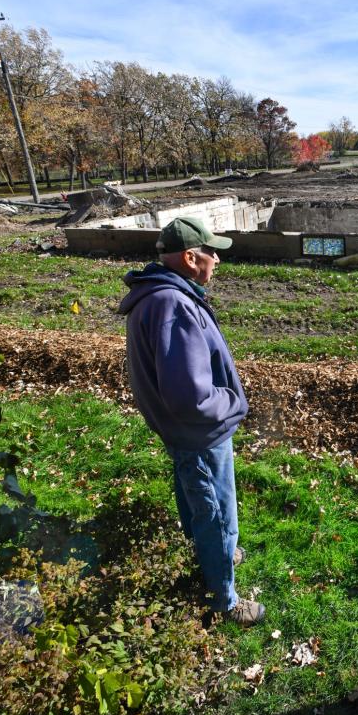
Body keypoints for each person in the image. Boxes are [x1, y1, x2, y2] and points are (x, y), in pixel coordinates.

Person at [118, 216, 265, 626]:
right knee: (217, 512)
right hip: (200, 433)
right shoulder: (173, 306)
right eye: (211, 252)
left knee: (195, 496)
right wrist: (233, 402)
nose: (217, 260)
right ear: (189, 257)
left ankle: (204, 548)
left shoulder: (161, 295)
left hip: (181, 431)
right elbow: (191, 397)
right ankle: (224, 598)